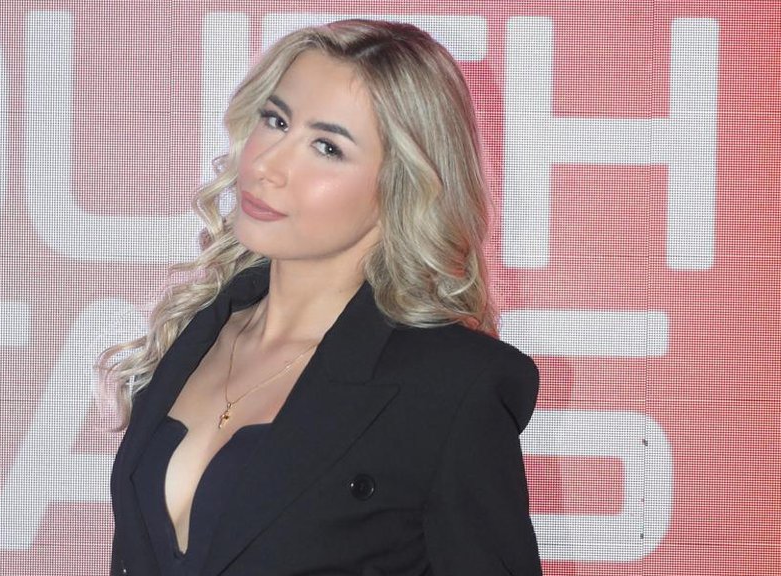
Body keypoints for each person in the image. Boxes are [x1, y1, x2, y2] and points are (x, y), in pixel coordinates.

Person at [97, 19, 542, 576]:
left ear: (400, 187)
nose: (267, 166)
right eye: (276, 121)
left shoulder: (453, 387)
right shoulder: (195, 333)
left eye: (327, 147)